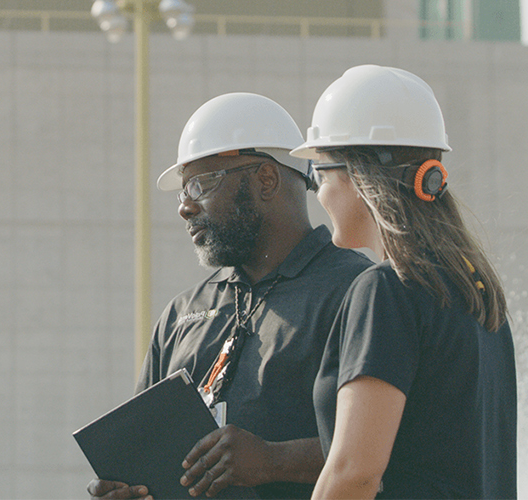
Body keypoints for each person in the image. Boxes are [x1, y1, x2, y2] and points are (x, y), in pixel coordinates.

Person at [90, 93, 372, 500]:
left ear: (266, 180)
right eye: (182, 191)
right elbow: (144, 450)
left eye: (200, 185)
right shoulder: (181, 316)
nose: (185, 207)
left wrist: (273, 460)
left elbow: (395, 446)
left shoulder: (358, 292)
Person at [293, 65, 516, 499]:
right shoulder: (480, 297)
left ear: (358, 176)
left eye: (319, 175)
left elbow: (355, 472)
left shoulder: (388, 291)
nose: (318, 195)